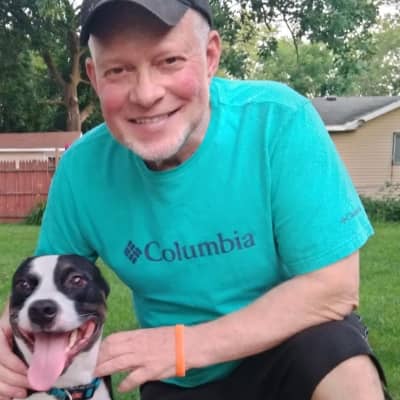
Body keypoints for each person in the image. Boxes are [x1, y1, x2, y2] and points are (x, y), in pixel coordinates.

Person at [0, 1, 391, 399]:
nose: (146, 94)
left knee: (345, 368)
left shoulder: (277, 121)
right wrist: (7, 342)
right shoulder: (83, 169)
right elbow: (40, 283)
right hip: (178, 379)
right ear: (94, 77)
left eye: (169, 61)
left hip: (289, 348)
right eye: (118, 70)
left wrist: (184, 346)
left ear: (210, 57)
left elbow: (333, 288)